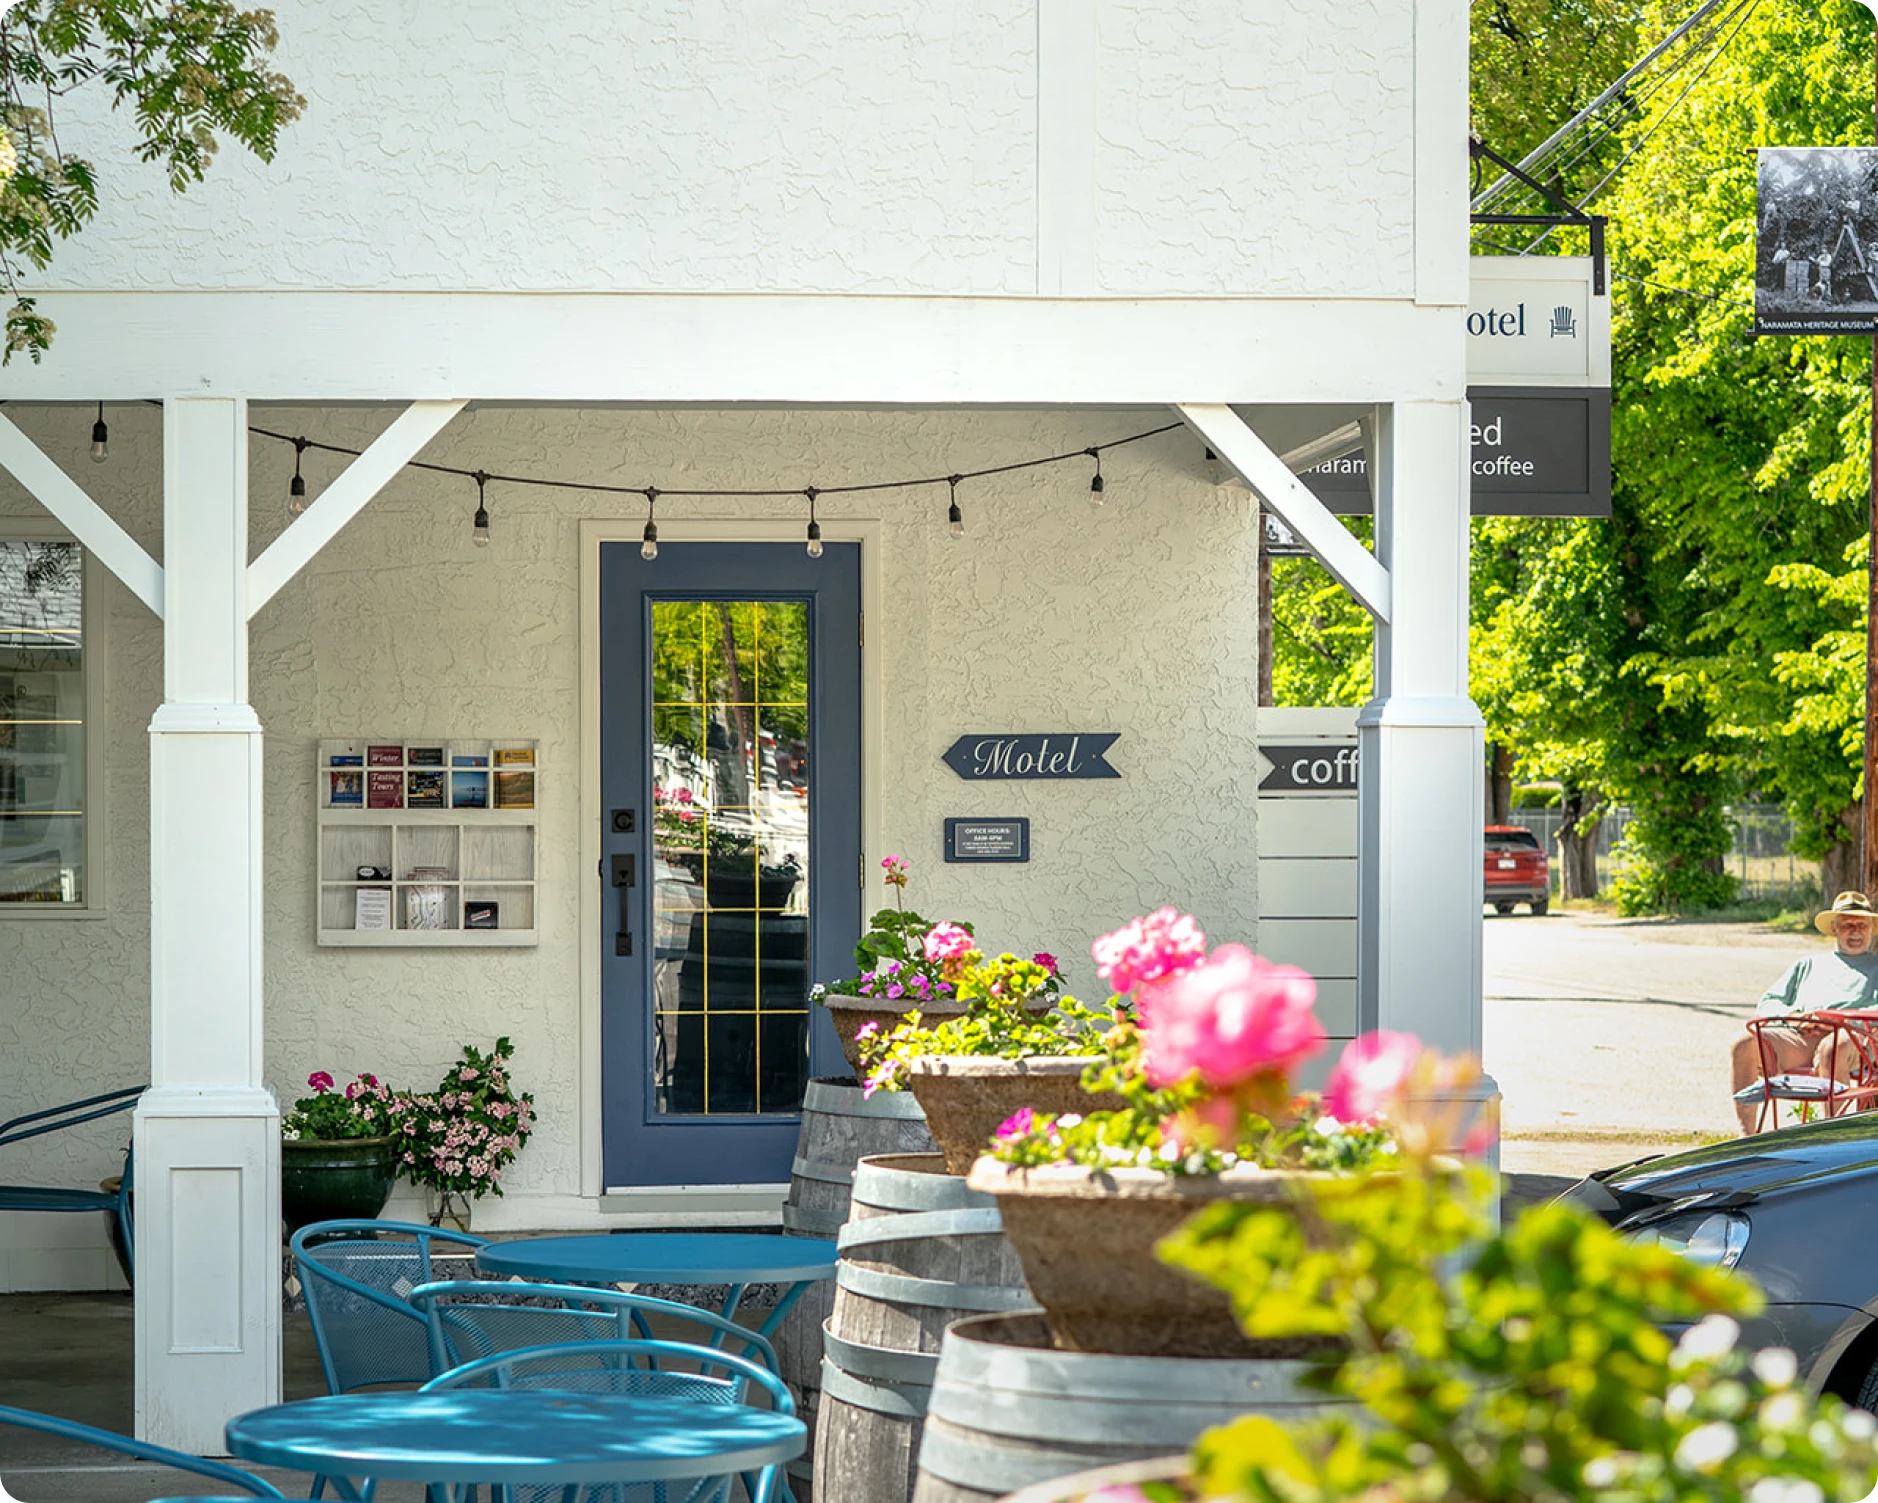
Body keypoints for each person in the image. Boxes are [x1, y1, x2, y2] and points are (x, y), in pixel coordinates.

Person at [1732, 890, 1878, 1134]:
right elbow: (1769, 1001)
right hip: (1801, 1036)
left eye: (1861, 925)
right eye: (1847, 925)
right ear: (1834, 928)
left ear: (1871, 929)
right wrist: (1796, 1017)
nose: (1855, 931)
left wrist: (1838, 1020)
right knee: (1743, 1042)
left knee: (1834, 1046)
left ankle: (1834, 1136)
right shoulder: (1809, 964)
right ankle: (1746, 1137)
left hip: (1854, 1038)